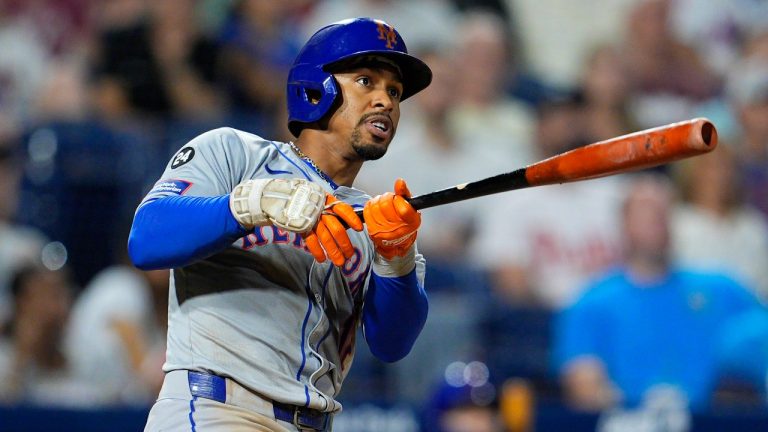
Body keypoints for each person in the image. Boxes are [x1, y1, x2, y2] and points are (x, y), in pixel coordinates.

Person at [128, 17, 431, 431]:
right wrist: (249, 203)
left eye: (394, 92)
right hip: (220, 409)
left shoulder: (376, 219)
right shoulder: (235, 153)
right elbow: (146, 239)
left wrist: (396, 260)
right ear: (315, 87)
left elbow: (392, 344)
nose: (386, 101)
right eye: (366, 81)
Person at [552, 174, 762, 413]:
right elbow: (583, 386)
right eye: (646, 211)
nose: (658, 218)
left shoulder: (721, 288)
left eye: (664, 210)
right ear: (623, 223)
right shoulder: (591, 303)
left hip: (713, 421)